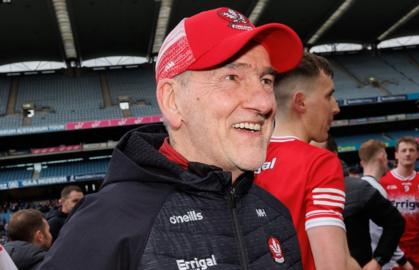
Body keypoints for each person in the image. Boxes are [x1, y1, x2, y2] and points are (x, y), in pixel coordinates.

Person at [39, 7, 304, 270]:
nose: (263, 102)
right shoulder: (105, 224)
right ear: (172, 101)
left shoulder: (275, 214)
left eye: (266, 80)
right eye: (232, 77)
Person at [255, 53, 351, 270]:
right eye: (328, 96)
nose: (335, 107)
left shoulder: (241, 162)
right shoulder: (320, 163)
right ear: (300, 102)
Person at [380, 137, 419, 270]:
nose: (408, 154)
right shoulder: (384, 182)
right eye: (404, 150)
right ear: (396, 154)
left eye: (412, 150)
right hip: (393, 247)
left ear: (418, 154)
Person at [358, 140, 413, 270]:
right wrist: (403, 260)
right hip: (376, 261)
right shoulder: (376, 189)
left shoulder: (359, 187)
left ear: (362, 163)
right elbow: (382, 232)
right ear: (382, 157)